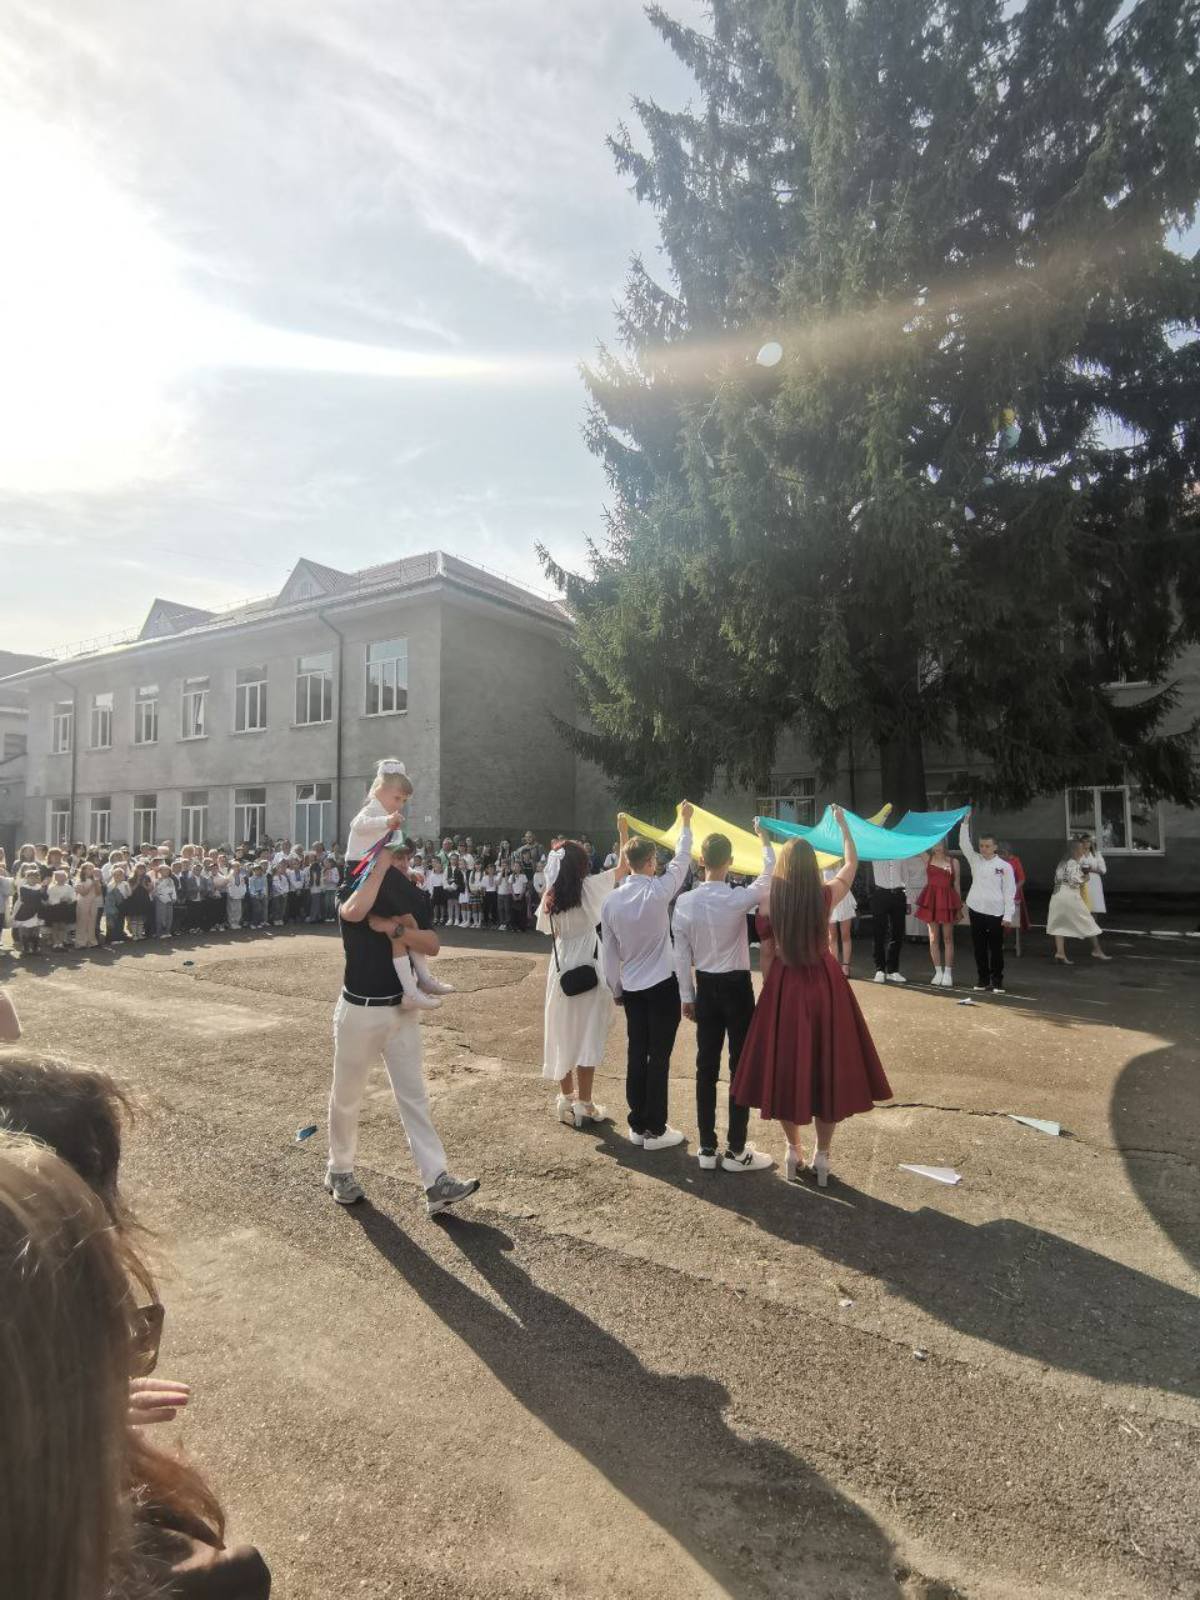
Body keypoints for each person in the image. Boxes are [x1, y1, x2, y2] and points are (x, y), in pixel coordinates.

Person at [732, 807, 892, 1187]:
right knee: (826, 1067)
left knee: (787, 1068)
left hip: (785, 983)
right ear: (812, 867)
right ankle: (822, 1156)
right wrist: (845, 829)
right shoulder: (824, 895)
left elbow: (766, 953)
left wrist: (771, 992)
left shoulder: (770, 900)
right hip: (824, 984)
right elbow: (850, 864)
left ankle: (793, 1150)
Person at [325, 838, 479, 1215]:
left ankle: (436, 1180)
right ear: (376, 860)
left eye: (407, 858)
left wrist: (396, 930)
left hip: (403, 1010)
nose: (404, 864)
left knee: (414, 1097)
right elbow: (353, 913)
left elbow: (431, 944)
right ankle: (340, 1169)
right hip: (360, 1010)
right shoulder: (353, 889)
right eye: (396, 858)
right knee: (347, 1095)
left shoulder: (410, 898)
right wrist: (380, 870)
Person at [673, 826, 775, 1172]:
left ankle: (706, 1146)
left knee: (705, 1066)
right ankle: (736, 1148)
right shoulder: (737, 897)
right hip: (736, 987)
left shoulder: (685, 902)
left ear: (701, 860)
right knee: (738, 1065)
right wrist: (763, 839)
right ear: (730, 861)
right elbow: (769, 872)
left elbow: (680, 954)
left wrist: (686, 995)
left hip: (705, 985)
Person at [600, 802, 695, 1151]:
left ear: (627, 862)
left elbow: (609, 953)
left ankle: (638, 1123)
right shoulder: (658, 890)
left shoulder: (611, 902)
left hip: (632, 987)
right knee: (659, 1056)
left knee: (637, 1052)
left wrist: (616, 987)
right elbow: (683, 857)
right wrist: (685, 822)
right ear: (651, 861)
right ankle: (656, 1127)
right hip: (662, 985)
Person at [537, 819, 630, 1128]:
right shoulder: (589, 887)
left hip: (561, 966)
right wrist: (623, 833)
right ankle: (585, 1103)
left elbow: (547, 929)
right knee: (588, 1031)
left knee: (562, 1030)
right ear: (580, 864)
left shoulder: (550, 896)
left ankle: (566, 1096)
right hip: (588, 961)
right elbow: (623, 868)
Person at [958, 812, 1018, 994]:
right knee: (979, 947)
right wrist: (965, 823)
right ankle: (982, 980)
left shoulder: (1005, 867)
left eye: (987, 846)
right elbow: (964, 844)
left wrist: (1008, 915)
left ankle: (997, 981)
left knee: (996, 948)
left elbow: (1009, 891)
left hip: (996, 912)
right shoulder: (975, 859)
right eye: (981, 846)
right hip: (976, 909)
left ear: (995, 847)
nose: (984, 849)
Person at [1047, 840, 1112, 964]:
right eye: (1082, 849)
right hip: (1070, 896)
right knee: (1087, 920)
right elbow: (1074, 881)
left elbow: (1058, 879)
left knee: (1059, 923)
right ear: (1076, 851)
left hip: (1057, 895)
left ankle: (1060, 952)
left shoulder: (1061, 864)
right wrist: (1086, 878)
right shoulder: (1073, 863)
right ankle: (1097, 949)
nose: (1083, 851)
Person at [915, 838, 963, 987]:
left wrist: (959, 907)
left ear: (944, 845)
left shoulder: (954, 862)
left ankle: (948, 973)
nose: (937, 847)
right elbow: (916, 844)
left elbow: (957, 884)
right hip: (931, 900)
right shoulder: (927, 858)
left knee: (948, 938)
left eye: (939, 844)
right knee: (933, 937)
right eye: (934, 844)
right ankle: (938, 972)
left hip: (948, 901)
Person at [869, 855, 909, 984]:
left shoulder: (901, 853)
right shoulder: (877, 851)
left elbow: (906, 876)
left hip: (898, 894)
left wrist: (908, 899)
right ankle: (880, 969)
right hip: (880, 894)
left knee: (897, 933)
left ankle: (893, 970)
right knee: (879, 932)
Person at [822, 859, 856, 976]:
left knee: (845, 934)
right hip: (829, 899)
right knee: (832, 936)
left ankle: (846, 966)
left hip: (844, 898)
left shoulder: (844, 860)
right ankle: (834, 966)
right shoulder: (822, 862)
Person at [74, 862, 104, 949]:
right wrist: (92, 885)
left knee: (92, 922)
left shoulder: (94, 880)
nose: (92, 871)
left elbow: (98, 893)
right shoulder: (79, 881)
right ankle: (80, 943)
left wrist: (97, 884)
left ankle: (91, 942)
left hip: (93, 902)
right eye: (89, 869)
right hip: (83, 902)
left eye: (92, 869)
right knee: (82, 922)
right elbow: (83, 893)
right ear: (84, 870)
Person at [1078, 834, 1108, 917]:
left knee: (1094, 906)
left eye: (1088, 841)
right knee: (1082, 906)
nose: (1086, 843)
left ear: (1091, 843)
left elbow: (1103, 870)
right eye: (1083, 842)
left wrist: (1091, 870)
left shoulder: (1096, 855)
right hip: (1082, 881)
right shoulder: (1077, 854)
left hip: (1094, 882)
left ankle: (1094, 924)